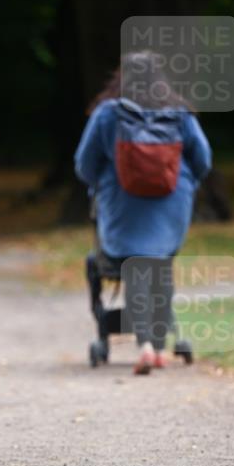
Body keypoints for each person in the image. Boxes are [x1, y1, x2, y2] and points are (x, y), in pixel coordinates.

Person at [75, 52, 212, 373]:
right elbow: (203, 159)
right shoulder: (179, 113)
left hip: (121, 204)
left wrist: (103, 186)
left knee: (133, 265)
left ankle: (147, 345)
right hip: (171, 204)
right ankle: (160, 345)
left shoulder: (108, 113)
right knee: (159, 266)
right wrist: (184, 185)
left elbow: (84, 164)